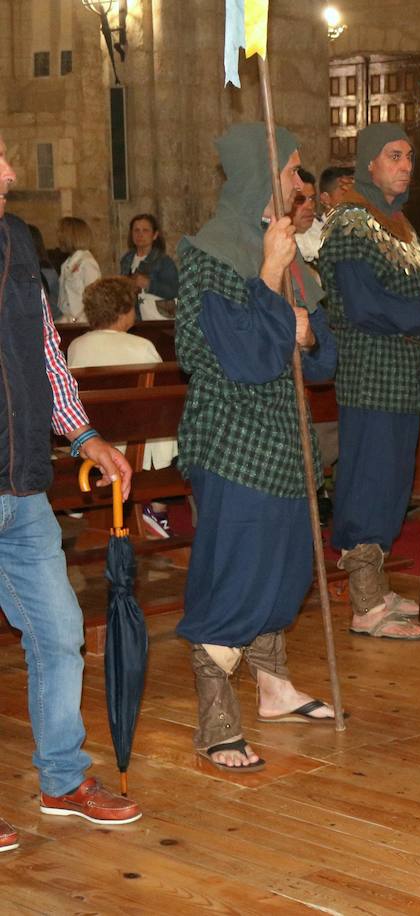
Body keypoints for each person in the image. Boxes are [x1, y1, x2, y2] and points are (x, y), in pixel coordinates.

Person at [174, 123, 341, 771]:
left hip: (283, 434)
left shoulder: (288, 247)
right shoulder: (212, 251)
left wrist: (299, 328)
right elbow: (238, 356)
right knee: (236, 568)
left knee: (284, 563)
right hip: (232, 437)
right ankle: (216, 714)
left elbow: (317, 355)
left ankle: (273, 688)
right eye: (294, 171)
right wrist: (270, 275)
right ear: (259, 174)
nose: (303, 184)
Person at [0, 131, 142, 846]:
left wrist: (84, 435)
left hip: (21, 485)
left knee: (59, 635)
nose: (12, 167)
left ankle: (61, 778)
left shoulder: (18, 243)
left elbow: (47, 353)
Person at [318, 123, 420, 640]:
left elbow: (419, 291)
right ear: (369, 165)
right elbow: (363, 306)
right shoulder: (352, 223)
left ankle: (376, 588)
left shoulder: (396, 223)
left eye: (410, 157)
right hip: (371, 373)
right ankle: (363, 603)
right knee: (369, 481)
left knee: (394, 482)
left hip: (400, 376)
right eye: (394, 156)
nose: (405, 165)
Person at [67, 277, 180, 537]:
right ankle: (157, 509)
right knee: (165, 428)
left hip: (93, 444)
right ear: (123, 312)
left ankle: (83, 503)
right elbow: (158, 398)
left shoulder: (77, 345)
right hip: (136, 448)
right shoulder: (142, 346)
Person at [119, 213, 179, 320]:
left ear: (155, 235)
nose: (140, 235)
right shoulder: (126, 260)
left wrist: (149, 284)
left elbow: (175, 291)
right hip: (134, 320)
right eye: (136, 230)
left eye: (145, 230)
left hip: (158, 321)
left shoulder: (164, 261)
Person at [56, 216, 100, 323]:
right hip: (67, 321)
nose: (58, 236)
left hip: (82, 324)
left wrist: (77, 320)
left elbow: (94, 299)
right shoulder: (66, 263)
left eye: (61, 232)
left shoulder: (87, 262)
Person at [291, 169, 322, 269]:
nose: (309, 206)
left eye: (311, 198)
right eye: (300, 200)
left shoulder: (323, 229)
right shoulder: (280, 245)